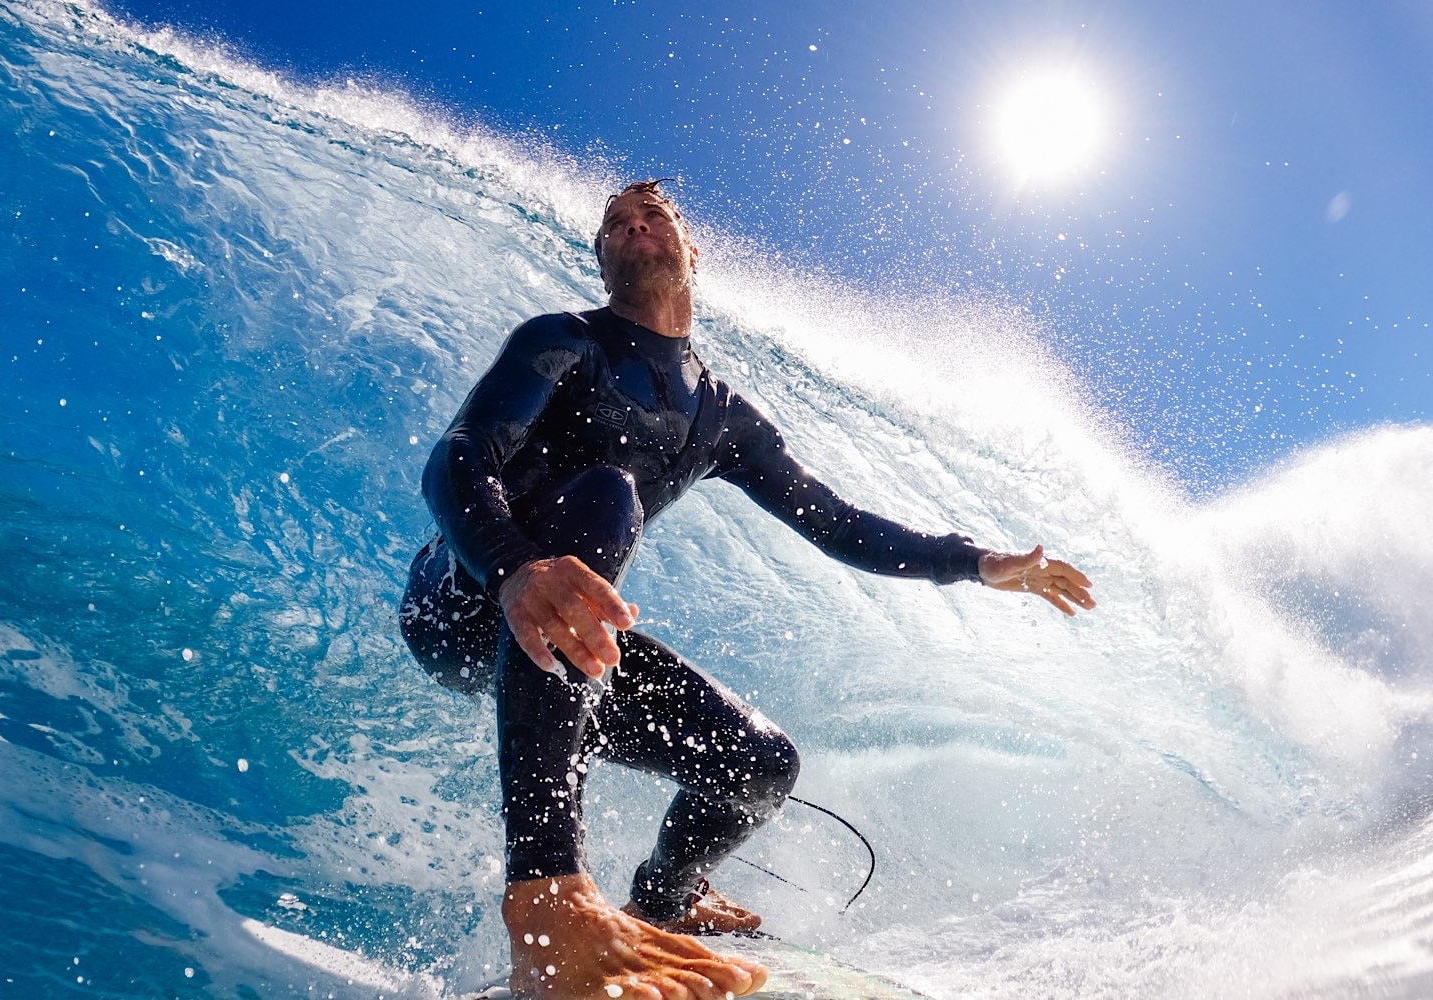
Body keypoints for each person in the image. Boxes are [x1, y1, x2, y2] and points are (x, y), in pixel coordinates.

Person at [399, 179, 1096, 1000]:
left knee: (758, 764)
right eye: (615, 225)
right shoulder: (563, 343)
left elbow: (841, 524)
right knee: (607, 493)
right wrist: (513, 566)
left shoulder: (721, 416)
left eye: (651, 216)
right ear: (601, 259)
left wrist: (979, 563)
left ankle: (667, 901)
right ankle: (549, 899)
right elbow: (460, 453)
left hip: (563, 628)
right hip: (469, 595)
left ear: (692, 251)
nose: (634, 226)